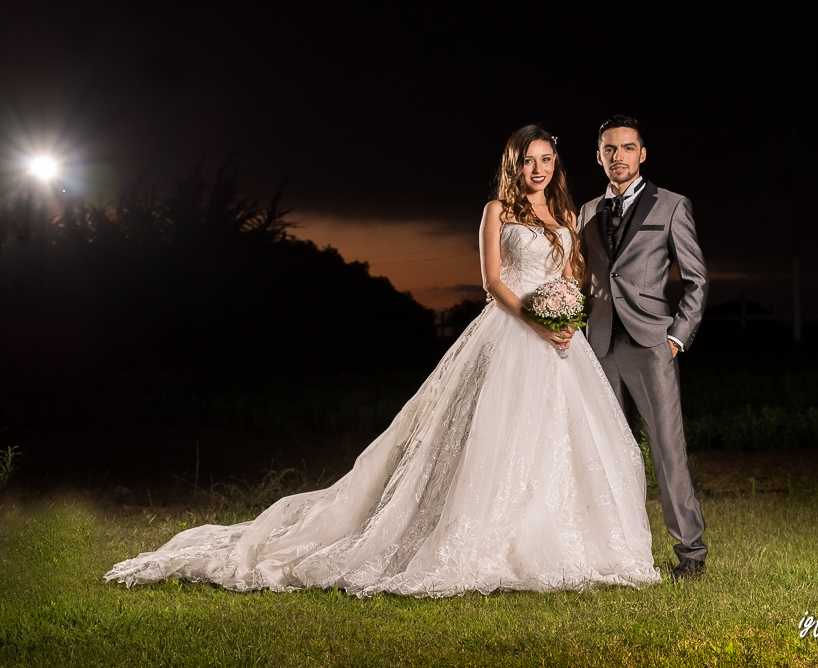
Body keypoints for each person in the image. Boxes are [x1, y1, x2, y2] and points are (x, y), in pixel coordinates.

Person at [105, 125, 661, 597]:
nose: (537, 169)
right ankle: (482, 536)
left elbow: (569, 274)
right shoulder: (497, 209)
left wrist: (565, 319)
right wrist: (538, 321)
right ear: (512, 165)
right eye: (527, 161)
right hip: (512, 333)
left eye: (546, 159)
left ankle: (562, 538)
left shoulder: (564, 209)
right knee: (497, 439)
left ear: (556, 163)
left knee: (565, 440)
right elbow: (493, 282)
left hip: (562, 344)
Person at [578, 115, 709, 581]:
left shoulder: (672, 206)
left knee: (667, 449)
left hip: (651, 344)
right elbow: (584, 278)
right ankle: (616, 550)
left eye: (627, 148)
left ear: (642, 153)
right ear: (599, 156)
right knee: (606, 451)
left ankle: (690, 553)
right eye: (609, 149)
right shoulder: (587, 211)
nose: (618, 157)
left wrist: (676, 336)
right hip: (597, 347)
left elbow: (696, 280)